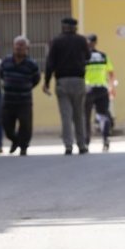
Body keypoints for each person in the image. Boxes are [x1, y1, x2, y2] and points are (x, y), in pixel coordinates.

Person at [43, 17, 90, 155]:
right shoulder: (81, 40)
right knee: (79, 115)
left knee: (66, 116)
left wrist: (46, 82)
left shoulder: (56, 41)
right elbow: (87, 56)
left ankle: (68, 145)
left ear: (63, 27)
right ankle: (82, 145)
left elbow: (50, 63)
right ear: (75, 27)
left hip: (62, 81)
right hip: (79, 79)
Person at [1, 35, 41, 156]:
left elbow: (36, 79)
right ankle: (15, 140)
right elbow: (1, 75)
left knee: (25, 125)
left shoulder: (31, 64)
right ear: (13, 47)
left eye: (22, 45)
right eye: (17, 45)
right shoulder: (6, 61)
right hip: (8, 100)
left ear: (27, 48)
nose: (19, 47)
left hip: (24, 100)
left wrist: (25, 87)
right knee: (6, 126)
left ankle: (23, 147)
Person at [84, 33, 115, 152]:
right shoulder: (103, 56)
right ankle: (106, 140)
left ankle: (86, 143)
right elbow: (111, 73)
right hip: (102, 88)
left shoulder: (84, 57)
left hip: (88, 89)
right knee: (103, 115)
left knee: (86, 117)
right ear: (96, 42)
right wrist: (111, 87)